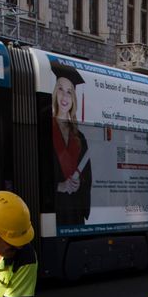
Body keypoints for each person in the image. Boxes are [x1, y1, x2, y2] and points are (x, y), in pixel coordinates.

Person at [49, 62, 91, 226]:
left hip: (75, 211)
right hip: (55, 210)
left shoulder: (79, 137)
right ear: (55, 93)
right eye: (60, 89)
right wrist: (59, 186)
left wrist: (80, 183)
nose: (64, 97)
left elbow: (88, 176)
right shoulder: (46, 131)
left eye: (69, 92)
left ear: (73, 98)